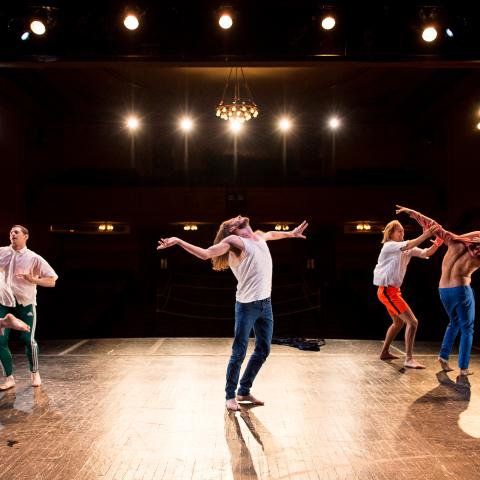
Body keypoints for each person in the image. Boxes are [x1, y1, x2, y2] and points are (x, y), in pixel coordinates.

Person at [157, 216, 308, 411]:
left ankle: (244, 391)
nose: (238, 217)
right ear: (233, 230)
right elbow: (205, 254)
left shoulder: (259, 236)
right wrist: (178, 240)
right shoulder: (234, 242)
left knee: (263, 350)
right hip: (247, 307)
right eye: (233, 221)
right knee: (239, 352)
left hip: (266, 304)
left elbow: (272, 234)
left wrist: (292, 234)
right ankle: (230, 396)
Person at [396, 205, 480, 376]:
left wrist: (413, 213)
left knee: (454, 322)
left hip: (443, 290)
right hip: (461, 290)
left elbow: (432, 225)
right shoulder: (478, 257)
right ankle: (463, 367)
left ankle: (443, 356)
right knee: (467, 328)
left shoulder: (453, 241)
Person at [373, 219, 442, 368]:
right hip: (387, 291)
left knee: (398, 323)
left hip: (393, 291)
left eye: (403, 231)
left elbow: (426, 252)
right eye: (399, 231)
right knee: (413, 322)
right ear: (391, 233)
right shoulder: (389, 246)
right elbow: (410, 244)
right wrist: (425, 234)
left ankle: (384, 352)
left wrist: (437, 243)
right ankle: (409, 359)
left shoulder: (406, 248)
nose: (402, 233)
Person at [0, 225, 58, 390]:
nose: (13, 234)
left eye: (17, 232)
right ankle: (9, 377)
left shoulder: (34, 258)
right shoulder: (2, 252)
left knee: (28, 340)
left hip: (25, 303)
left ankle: (35, 372)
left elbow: (52, 281)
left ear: (26, 236)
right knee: (0, 340)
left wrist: (33, 280)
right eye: (11, 231)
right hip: (4, 302)